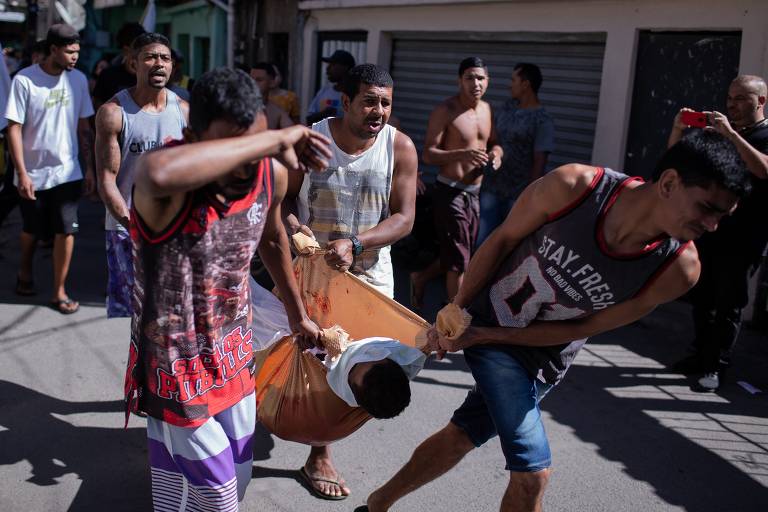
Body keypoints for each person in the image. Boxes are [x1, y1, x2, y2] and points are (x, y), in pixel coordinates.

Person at [363, 130, 751, 512]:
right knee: (532, 473)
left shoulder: (678, 269)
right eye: (707, 208)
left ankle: (378, 504)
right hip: (491, 322)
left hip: (538, 355)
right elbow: (502, 239)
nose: (713, 225)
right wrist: (458, 310)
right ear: (669, 183)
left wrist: (481, 334)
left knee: (464, 434)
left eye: (724, 215)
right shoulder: (575, 187)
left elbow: (582, 329)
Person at [124, 67, 332, 511]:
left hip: (234, 351)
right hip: (173, 361)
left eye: (253, 145)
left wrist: (297, 315)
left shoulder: (269, 174)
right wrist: (274, 140)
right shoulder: (169, 185)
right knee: (219, 498)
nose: (246, 164)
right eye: (236, 148)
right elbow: (153, 173)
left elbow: (273, 239)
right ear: (193, 134)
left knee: (236, 478)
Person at [283, 63, 418, 500]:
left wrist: (357, 243)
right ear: (346, 102)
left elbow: (404, 217)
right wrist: (296, 232)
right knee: (316, 359)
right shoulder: (313, 141)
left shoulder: (400, 148)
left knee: (361, 367)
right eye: (370, 101)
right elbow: (282, 202)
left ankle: (321, 448)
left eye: (386, 103)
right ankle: (309, 445)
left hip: (370, 277)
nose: (379, 111)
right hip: (314, 274)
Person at [669, 75, 768, 391]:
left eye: (741, 98)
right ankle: (698, 355)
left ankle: (716, 365)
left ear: (761, 101)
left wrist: (731, 135)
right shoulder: (724, 135)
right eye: (730, 97)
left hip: (745, 235)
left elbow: (763, 169)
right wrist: (679, 131)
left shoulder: (762, 135)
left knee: (729, 301)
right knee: (702, 294)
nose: (732, 104)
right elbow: (678, 163)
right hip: (710, 227)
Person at [95, 33, 188, 318]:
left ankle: (157, 364)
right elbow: (107, 180)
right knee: (140, 316)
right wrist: (133, 225)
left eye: (165, 58)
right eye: (150, 57)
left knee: (172, 315)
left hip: (175, 230)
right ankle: (142, 364)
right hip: (128, 228)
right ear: (134, 64)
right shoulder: (114, 113)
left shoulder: (184, 111)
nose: (158, 64)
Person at [5, 24, 95, 314]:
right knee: (32, 230)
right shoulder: (25, 80)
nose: (74, 57)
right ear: (53, 49)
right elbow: (14, 128)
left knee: (66, 230)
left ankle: (59, 291)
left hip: (67, 172)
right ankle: (25, 271)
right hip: (32, 172)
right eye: (69, 52)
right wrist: (21, 172)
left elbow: (84, 128)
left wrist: (90, 169)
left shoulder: (79, 80)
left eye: (77, 52)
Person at [410, 57, 503, 308]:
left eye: (480, 78)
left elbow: (495, 143)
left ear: (488, 81)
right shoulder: (446, 110)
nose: (476, 83)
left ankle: (420, 277)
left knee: (459, 253)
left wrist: (497, 156)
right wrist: (462, 154)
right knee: (459, 261)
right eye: (469, 77)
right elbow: (428, 154)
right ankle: (455, 317)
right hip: (449, 191)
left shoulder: (487, 109)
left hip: (475, 192)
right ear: (459, 81)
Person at [478, 62, 554, 245]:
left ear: (526, 84)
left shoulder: (542, 120)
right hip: (492, 187)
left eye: (514, 80)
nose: (509, 84)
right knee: (481, 241)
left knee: (507, 245)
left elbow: (539, 161)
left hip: (517, 195)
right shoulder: (507, 108)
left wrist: (530, 198)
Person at [92, 22, 146, 109]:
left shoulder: (149, 77)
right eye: (137, 48)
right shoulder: (108, 75)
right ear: (125, 50)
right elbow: (98, 108)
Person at [306, 49, 355, 125]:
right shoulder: (324, 91)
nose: (327, 68)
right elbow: (309, 120)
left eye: (333, 64)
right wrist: (323, 114)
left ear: (345, 67)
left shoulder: (355, 94)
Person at [250, 62, 293, 129]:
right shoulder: (238, 107)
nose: (253, 83)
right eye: (251, 79)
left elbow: (291, 131)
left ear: (272, 83)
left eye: (259, 80)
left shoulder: (277, 112)